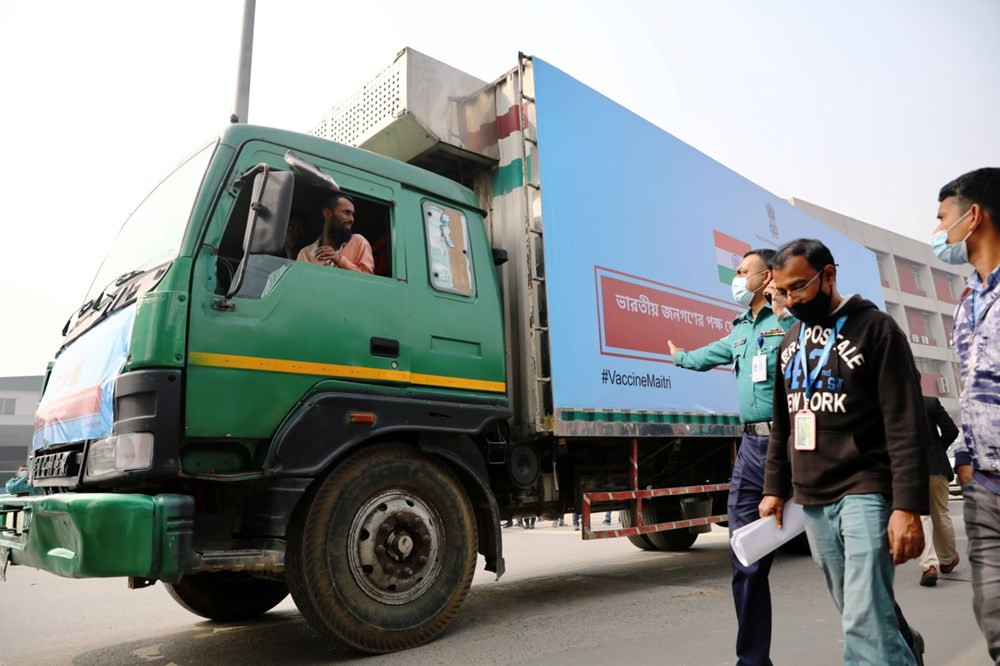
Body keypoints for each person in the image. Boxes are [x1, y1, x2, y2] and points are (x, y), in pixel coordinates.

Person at [759, 238, 927, 665]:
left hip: (865, 486)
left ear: (828, 275)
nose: (791, 300)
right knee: (857, 606)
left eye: (799, 287)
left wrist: (907, 505)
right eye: (782, 292)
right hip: (812, 496)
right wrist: (774, 488)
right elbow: (785, 423)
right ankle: (906, 645)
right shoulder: (789, 341)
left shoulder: (875, 329)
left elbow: (905, 422)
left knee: (861, 616)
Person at [668, 248, 791, 666]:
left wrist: (787, 311)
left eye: (743, 271)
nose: (736, 278)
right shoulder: (739, 329)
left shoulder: (789, 320)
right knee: (744, 553)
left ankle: (896, 638)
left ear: (767, 276)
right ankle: (753, 661)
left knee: (836, 554)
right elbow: (709, 355)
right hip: (751, 448)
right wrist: (680, 358)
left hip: (793, 444)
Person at [932, 167, 1000, 662]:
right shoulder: (965, 304)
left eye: (942, 219)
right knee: (994, 617)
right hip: (985, 487)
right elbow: (970, 390)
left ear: (973, 217)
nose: (938, 232)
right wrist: (966, 455)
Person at [917, 394, 960, 587]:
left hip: (910, 469)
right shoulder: (930, 402)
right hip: (936, 466)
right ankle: (948, 559)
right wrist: (937, 449)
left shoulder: (894, 403)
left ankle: (929, 566)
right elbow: (951, 430)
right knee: (941, 513)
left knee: (922, 516)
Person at [297, 193, 374, 274]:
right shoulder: (305, 253)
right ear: (327, 214)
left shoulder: (359, 242)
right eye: (346, 212)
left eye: (352, 214)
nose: (352, 219)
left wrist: (340, 260)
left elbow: (367, 282)